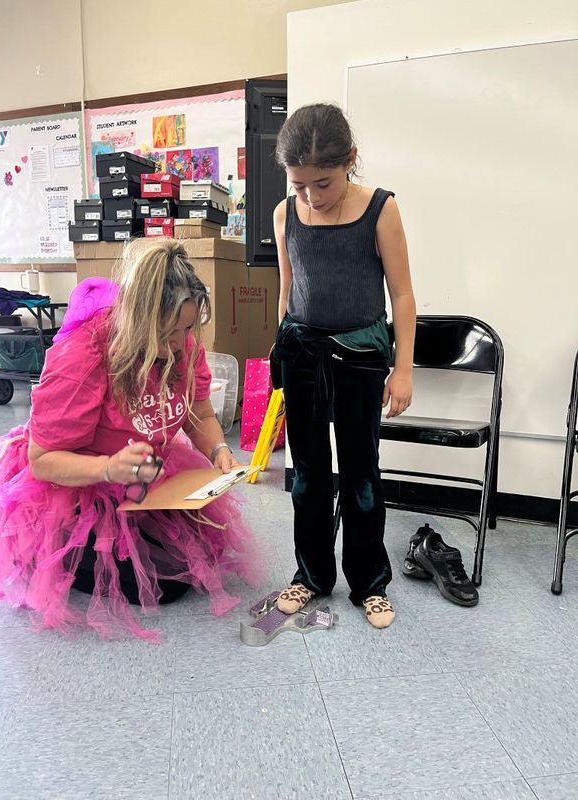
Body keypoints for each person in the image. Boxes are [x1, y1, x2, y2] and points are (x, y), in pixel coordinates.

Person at [0, 239, 262, 641]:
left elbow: (198, 412)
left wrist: (218, 450)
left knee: (198, 556)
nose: (182, 342)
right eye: (171, 331)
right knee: (166, 584)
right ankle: (55, 553)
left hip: (143, 479)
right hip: (77, 486)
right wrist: (108, 468)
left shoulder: (183, 343)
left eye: (188, 328)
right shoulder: (84, 354)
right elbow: (42, 459)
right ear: (140, 320)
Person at [271, 103, 416, 628]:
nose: (311, 195)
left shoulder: (381, 209)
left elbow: (401, 295)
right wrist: (278, 351)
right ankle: (311, 574)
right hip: (302, 356)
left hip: (360, 357)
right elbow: (288, 290)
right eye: (300, 184)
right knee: (307, 475)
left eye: (323, 183)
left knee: (360, 474)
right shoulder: (286, 213)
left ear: (351, 160)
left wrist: (403, 369)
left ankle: (369, 583)